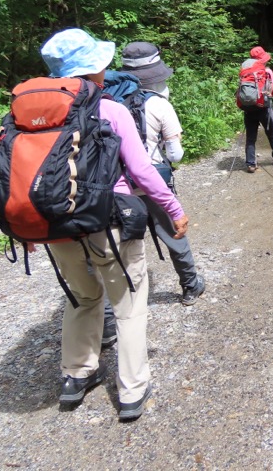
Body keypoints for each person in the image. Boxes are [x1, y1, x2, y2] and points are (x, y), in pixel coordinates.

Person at [39, 28, 189, 422]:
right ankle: (132, 390)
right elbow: (142, 172)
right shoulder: (110, 109)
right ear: (93, 70)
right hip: (108, 222)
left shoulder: (34, 114)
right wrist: (173, 210)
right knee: (128, 304)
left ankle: (75, 376)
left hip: (57, 227)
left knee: (83, 297)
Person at [119, 41, 206, 305]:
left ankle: (118, 302)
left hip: (119, 186)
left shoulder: (109, 102)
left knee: (122, 242)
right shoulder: (159, 105)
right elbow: (175, 154)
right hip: (154, 181)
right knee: (172, 232)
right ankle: (190, 286)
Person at [239, 46, 273, 173]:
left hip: (248, 109)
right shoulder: (267, 71)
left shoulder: (244, 72)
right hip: (264, 108)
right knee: (271, 133)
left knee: (251, 137)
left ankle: (251, 164)